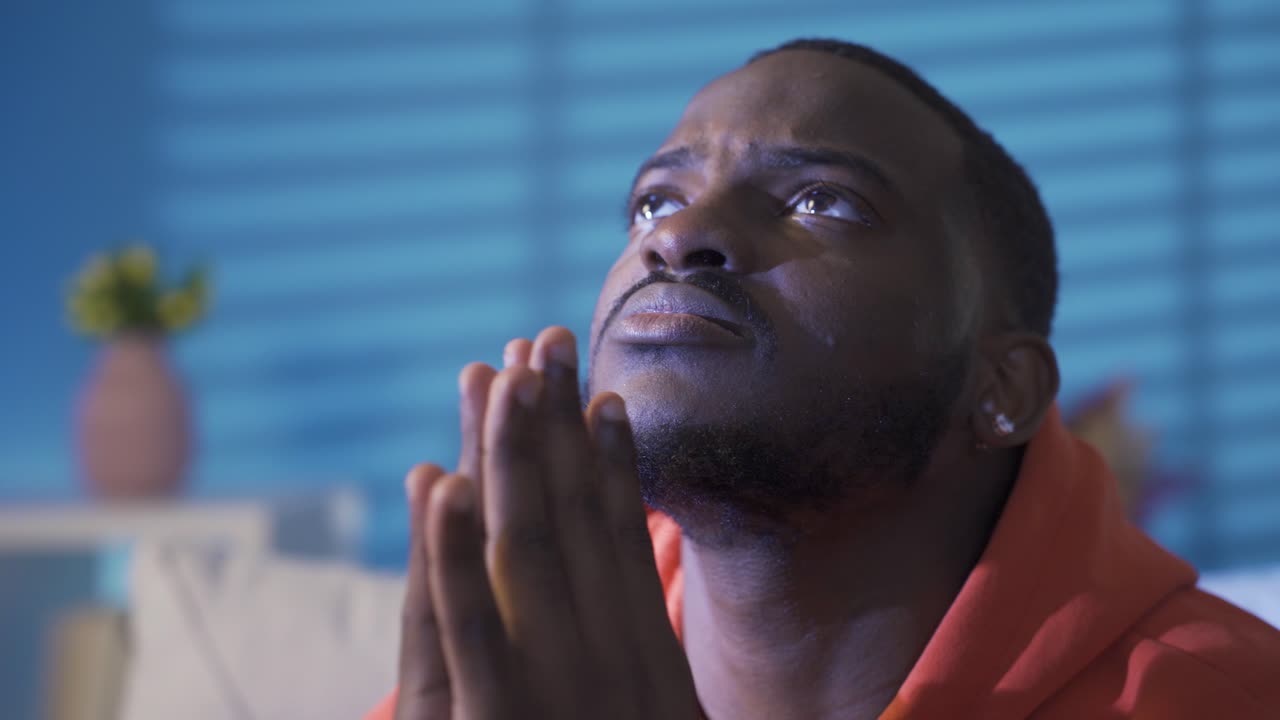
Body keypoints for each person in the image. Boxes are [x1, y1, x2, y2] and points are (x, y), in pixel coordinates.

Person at [368, 39, 1280, 719]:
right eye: (656, 199)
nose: (675, 237)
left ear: (1001, 387)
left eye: (822, 200)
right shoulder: (516, 650)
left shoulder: (1220, 695)